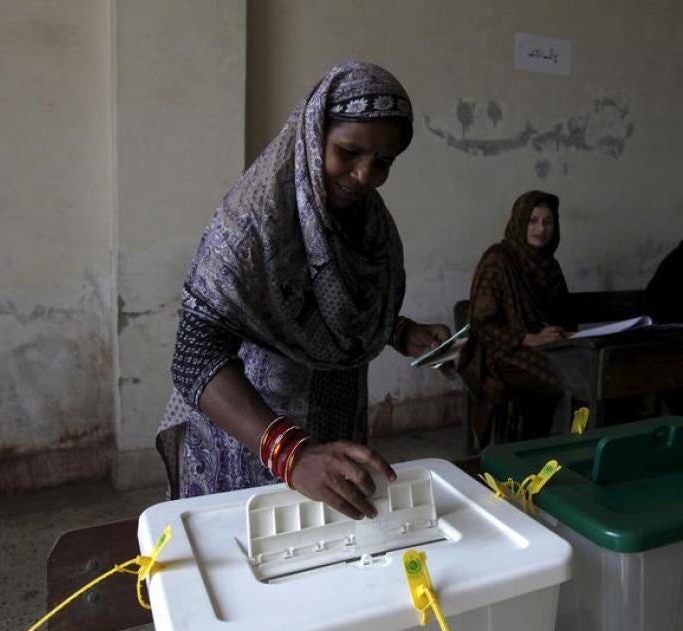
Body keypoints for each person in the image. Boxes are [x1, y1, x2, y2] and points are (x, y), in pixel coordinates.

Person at [156, 61, 450, 520]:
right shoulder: (252, 222)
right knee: (257, 563)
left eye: (384, 163)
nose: (364, 176)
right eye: (348, 152)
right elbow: (195, 355)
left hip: (335, 429)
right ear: (314, 136)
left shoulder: (370, 225)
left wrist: (398, 331)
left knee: (327, 562)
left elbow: (330, 306)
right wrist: (290, 452)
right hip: (254, 439)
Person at [458, 190, 572, 450]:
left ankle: (554, 450)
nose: (541, 229)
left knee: (584, 368)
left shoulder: (549, 265)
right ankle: (525, 452)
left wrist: (559, 332)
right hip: (498, 351)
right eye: (532, 221)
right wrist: (527, 338)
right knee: (560, 377)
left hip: (544, 346)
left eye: (548, 222)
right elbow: (482, 325)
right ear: (520, 222)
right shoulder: (498, 260)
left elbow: (562, 314)